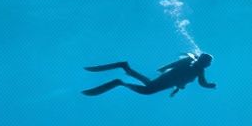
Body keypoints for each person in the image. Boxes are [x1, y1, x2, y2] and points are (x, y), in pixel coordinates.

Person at [82, 52, 216, 96]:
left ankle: (125, 67)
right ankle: (120, 82)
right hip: (168, 80)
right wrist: (211, 85)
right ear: (205, 63)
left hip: (167, 79)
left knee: (149, 85)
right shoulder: (197, 68)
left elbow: (175, 71)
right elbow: (202, 83)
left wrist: (176, 87)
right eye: (208, 63)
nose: (208, 66)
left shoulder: (192, 62)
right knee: (148, 90)